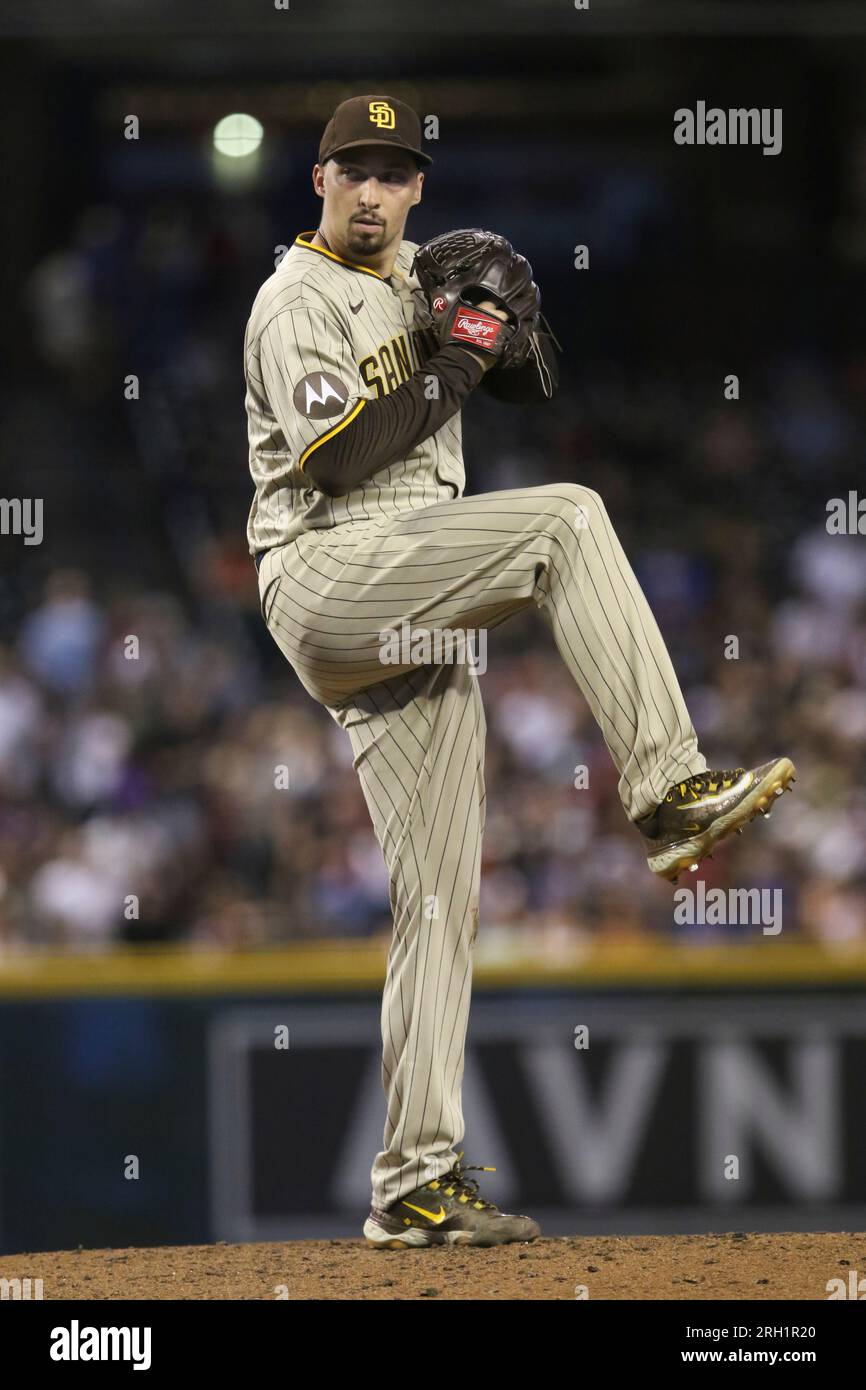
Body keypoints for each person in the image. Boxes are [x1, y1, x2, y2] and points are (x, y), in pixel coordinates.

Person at [243, 94, 795, 1249]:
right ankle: (663, 788)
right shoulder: (295, 297)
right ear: (319, 179)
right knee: (566, 522)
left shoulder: (411, 279)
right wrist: (452, 359)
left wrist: (506, 327)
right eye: (356, 171)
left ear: (417, 190)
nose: (374, 192)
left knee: (440, 899)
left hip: (419, 600)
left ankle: (412, 1184)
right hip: (331, 572)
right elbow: (340, 456)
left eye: (396, 175)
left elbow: (527, 388)